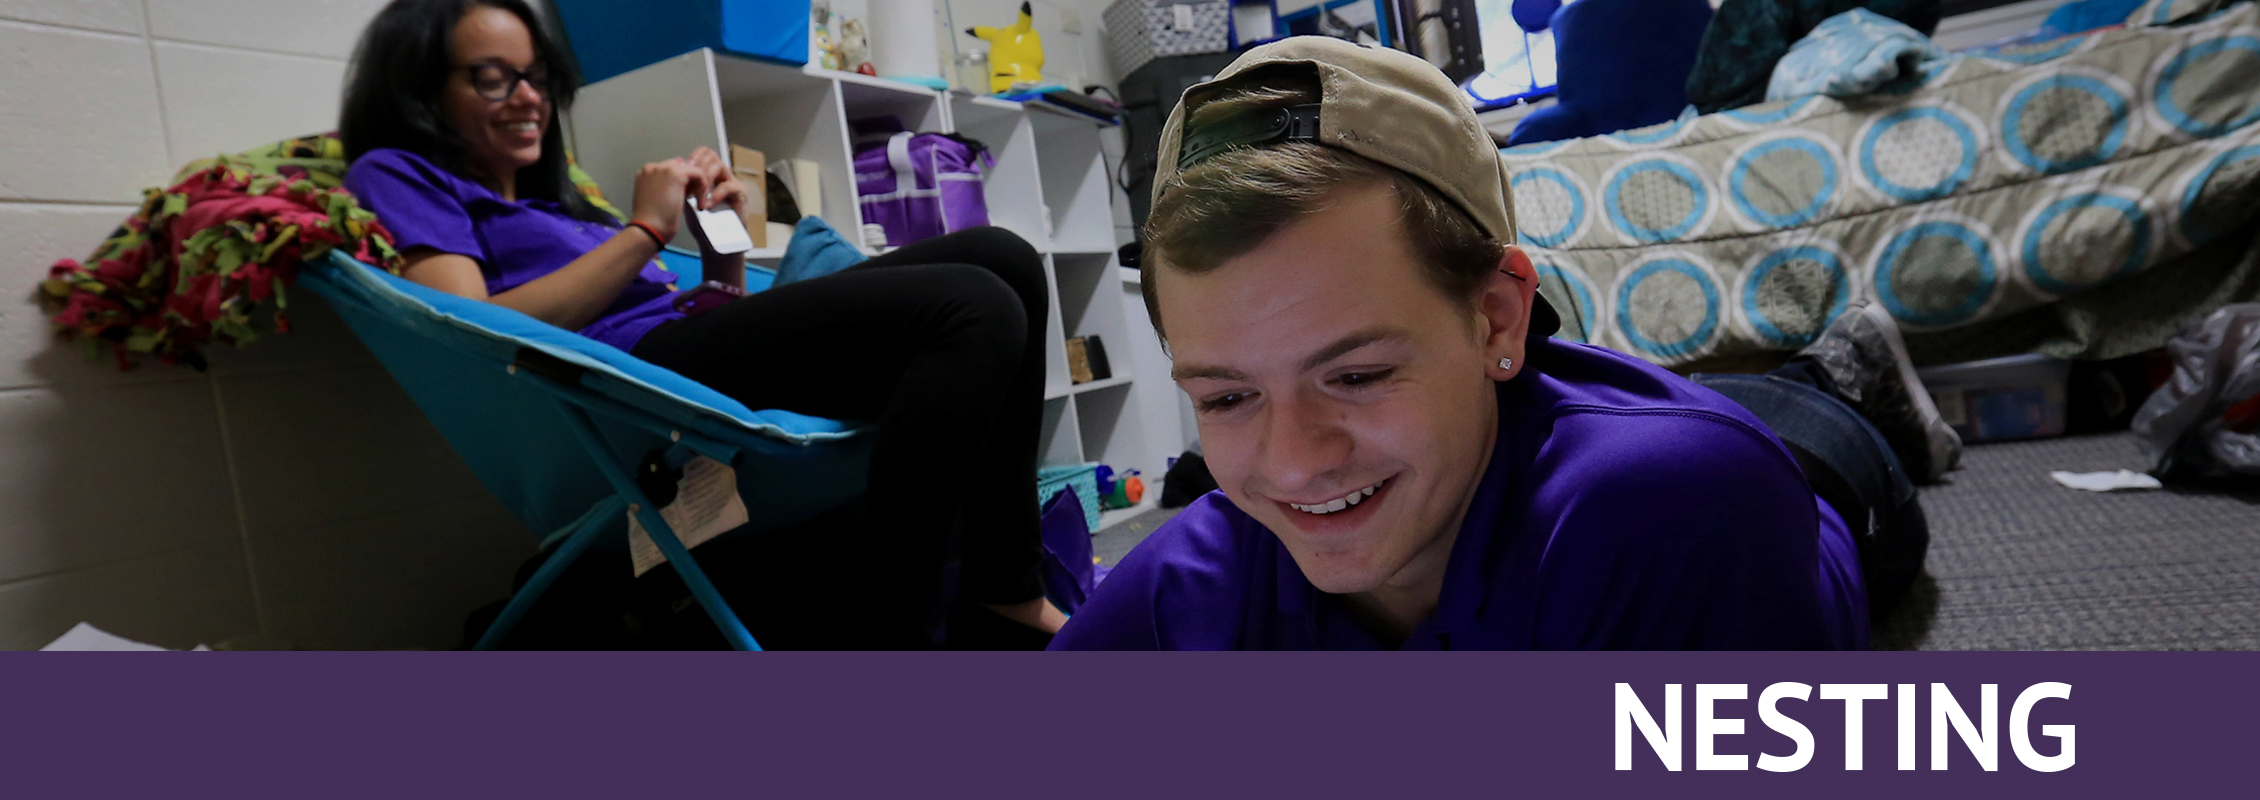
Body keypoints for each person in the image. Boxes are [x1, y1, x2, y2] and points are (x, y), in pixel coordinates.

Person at [1050, 37, 1952, 651]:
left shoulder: (1687, 504)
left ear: (1497, 319)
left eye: (1357, 374)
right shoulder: (1187, 589)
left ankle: (1845, 373)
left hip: (1826, 470)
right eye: (1226, 397)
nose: (1291, 465)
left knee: (1818, 414)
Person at [338, 0, 1063, 648]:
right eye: (493, 78)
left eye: (535, 76)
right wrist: (646, 230)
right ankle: (891, 633)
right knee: (972, 306)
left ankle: (1004, 590)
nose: (528, 97)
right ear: (423, 88)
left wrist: (721, 243)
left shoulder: (559, 206)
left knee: (1005, 258)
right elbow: (469, 324)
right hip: (623, 385)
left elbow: (715, 310)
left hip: (676, 355)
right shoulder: (398, 171)